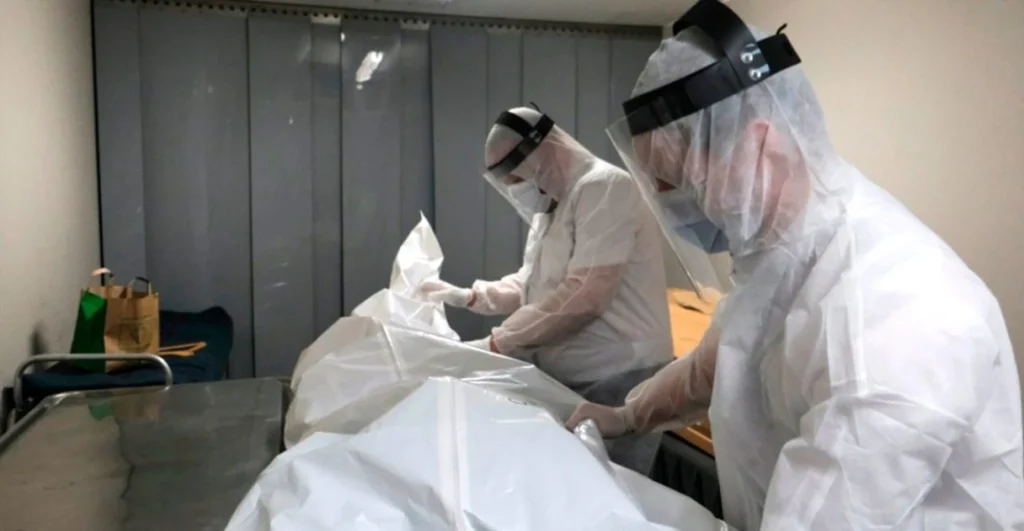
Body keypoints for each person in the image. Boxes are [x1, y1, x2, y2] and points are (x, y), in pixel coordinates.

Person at [567, 1, 1024, 529]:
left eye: (676, 181)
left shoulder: (891, 317)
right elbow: (722, 361)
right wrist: (626, 416)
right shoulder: (780, 255)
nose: (669, 205)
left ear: (758, 145)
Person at [421, 105, 674, 475]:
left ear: (542, 152)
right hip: (573, 377)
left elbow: (584, 296)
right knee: (571, 482)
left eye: (514, 176)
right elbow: (534, 284)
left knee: (611, 488)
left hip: (617, 375)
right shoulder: (553, 207)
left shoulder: (604, 189)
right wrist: (473, 296)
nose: (515, 188)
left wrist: (498, 343)